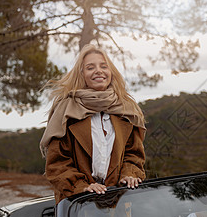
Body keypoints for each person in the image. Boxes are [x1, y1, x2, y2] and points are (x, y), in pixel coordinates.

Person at [40, 44, 146, 204]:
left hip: (118, 204)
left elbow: (133, 154)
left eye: (104, 66)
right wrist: (81, 186)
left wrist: (129, 174)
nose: (98, 71)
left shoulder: (126, 109)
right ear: (81, 74)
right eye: (90, 67)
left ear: (111, 72)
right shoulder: (66, 110)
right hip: (77, 204)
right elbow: (57, 163)